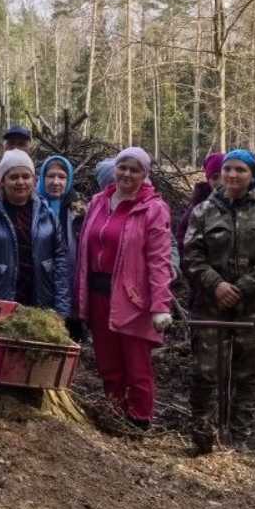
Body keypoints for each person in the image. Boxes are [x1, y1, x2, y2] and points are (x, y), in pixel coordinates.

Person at [181, 149, 255, 447]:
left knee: (248, 377)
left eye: (240, 170)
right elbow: (191, 256)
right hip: (210, 307)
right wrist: (216, 285)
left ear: (252, 175)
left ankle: (238, 442)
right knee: (205, 374)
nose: (232, 175)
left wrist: (241, 287)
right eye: (228, 169)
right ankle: (202, 437)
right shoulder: (203, 211)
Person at [72, 147, 173, 426]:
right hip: (98, 294)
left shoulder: (153, 209)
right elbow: (84, 252)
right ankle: (114, 413)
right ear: (114, 169)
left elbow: (159, 260)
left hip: (133, 298)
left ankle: (139, 419)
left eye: (134, 170)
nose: (127, 174)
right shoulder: (98, 202)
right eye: (122, 167)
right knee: (108, 362)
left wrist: (160, 305)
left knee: (136, 364)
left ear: (145, 174)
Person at [0, 149, 71, 314]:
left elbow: (60, 262)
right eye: (14, 177)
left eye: (26, 176)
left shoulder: (46, 212)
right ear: (2, 180)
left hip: (40, 302)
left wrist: (62, 310)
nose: (20, 182)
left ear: (34, 179)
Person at [39, 155, 81, 262]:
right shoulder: (33, 206)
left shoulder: (78, 210)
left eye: (62, 177)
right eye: (51, 176)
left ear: (69, 180)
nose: (55, 182)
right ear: (42, 178)